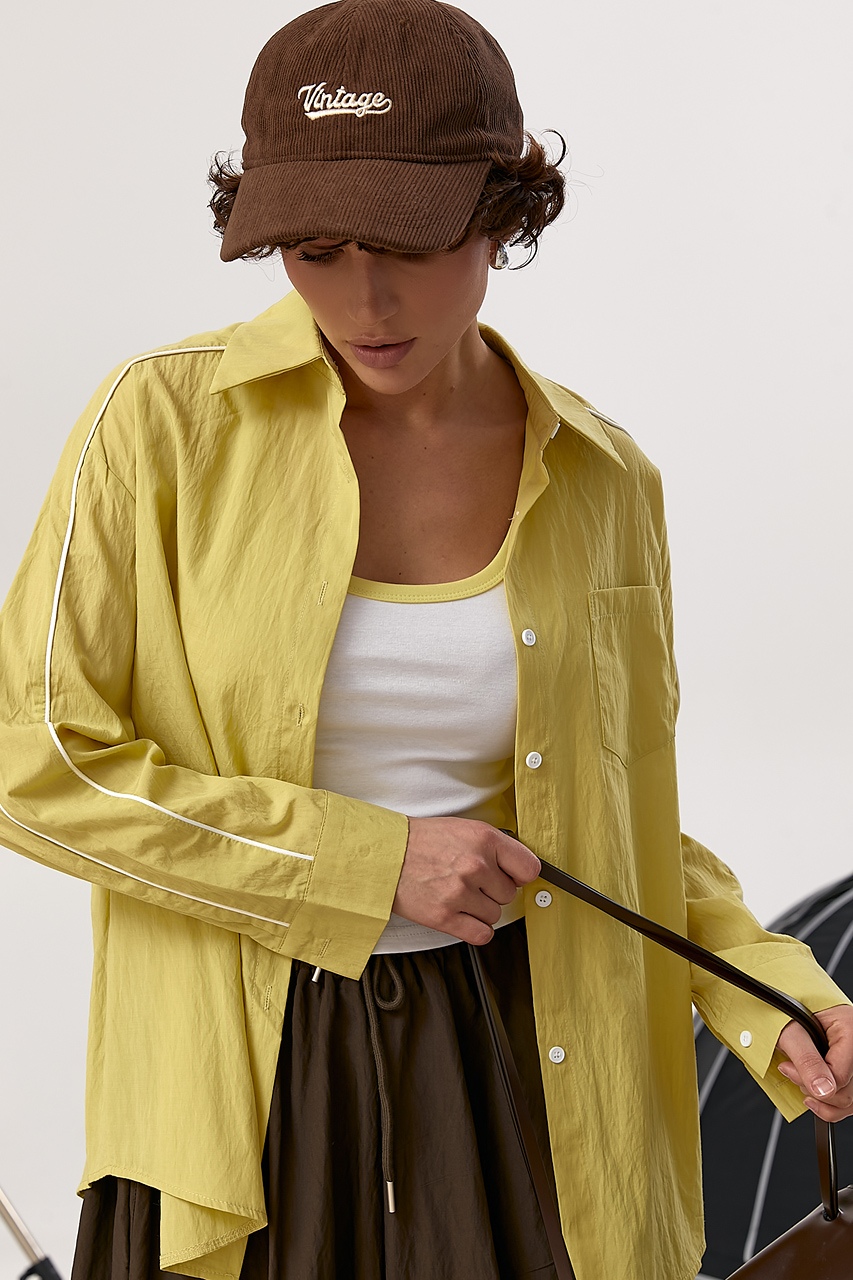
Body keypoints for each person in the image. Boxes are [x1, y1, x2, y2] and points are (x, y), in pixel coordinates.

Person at [0, 1, 851, 1277]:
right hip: (239, 1082)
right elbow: (33, 758)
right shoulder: (159, 424)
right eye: (315, 249)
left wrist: (761, 981)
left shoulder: (603, 478)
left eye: (411, 240)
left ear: (502, 212)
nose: (366, 297)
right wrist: (369, 862)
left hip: (515, 1058)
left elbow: (614, 816)